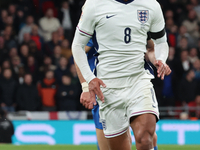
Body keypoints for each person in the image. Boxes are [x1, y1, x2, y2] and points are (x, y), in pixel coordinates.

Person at [72, 0, 170, 150]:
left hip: (138, 81)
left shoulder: (150, 5)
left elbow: (157, 44)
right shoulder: (95, 6)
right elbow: (77, 46)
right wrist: (87, 83)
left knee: (145, 138)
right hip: (106, 88)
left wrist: (160, 59)